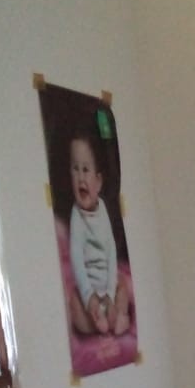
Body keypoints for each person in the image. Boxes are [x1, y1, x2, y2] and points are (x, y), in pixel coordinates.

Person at [67, 130, 130, 336]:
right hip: (90, 289)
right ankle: (97, 320)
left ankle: (120, 315)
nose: (80, 177)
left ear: (99, 181)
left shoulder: (102, 210)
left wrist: (110, 294)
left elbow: (111, 252)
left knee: (124, 286)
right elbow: (76, 259)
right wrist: (89, 297)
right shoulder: (77, 216)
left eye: (86, 169)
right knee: (74, 304)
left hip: (107, 284)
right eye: (75, 169)